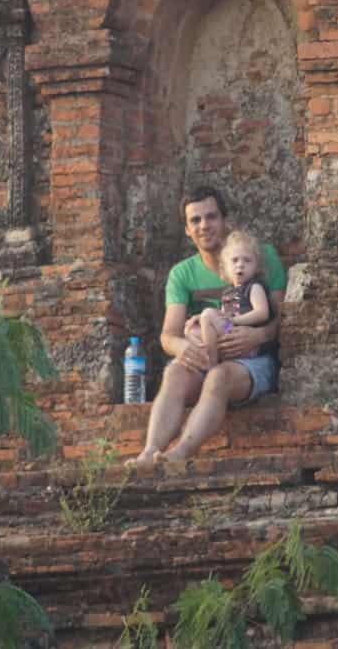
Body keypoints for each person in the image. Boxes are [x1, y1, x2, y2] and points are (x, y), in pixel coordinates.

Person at [126, 186, 286, 468]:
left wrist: (257, 334)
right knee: (174, 371)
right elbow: (168, 335)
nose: (204, 226)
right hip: (206, 356)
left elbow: (285, 319)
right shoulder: (182, 273)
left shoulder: (260, 256)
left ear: (225, 221)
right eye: (195, 220)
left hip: (253, 360)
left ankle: (180, 453)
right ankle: (150, 452)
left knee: (219, 377)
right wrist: (185, 347)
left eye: (211, 217)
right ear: (187, 229)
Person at [182, 229, 274, 374]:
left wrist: (236, 321)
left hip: (244, 342)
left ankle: (211, 364)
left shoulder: (254, 287)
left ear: (256, 267)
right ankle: (212, 356)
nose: (240, 265)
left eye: (247, 260)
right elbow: (223, 315)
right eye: (235, 260)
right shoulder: (229, 291)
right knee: (191, 330)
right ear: (225, 267)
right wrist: (201, 319)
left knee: (207, 313)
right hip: (228, 336)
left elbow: (262, 313)